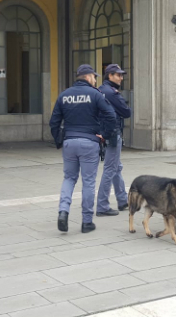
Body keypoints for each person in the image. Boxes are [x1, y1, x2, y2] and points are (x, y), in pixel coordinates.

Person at [50, 64, 116, 233]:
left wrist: (59, 140)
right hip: (89, 142)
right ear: (87, 77)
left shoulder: (64, 95)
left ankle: (63, 211)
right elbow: (111, 116)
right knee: (88, 181)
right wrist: (104, 135)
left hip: (69, 142)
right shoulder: (95, 95)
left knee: (69, 178)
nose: (95, 80)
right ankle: (87, 222)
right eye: (94, 77)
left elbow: (54, 122)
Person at [96, 64, 132, 217]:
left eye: (122, 75)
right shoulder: (111, 93)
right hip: (112, 133)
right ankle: (102, 206)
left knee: (116, 167)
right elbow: (126, 112)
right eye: (118, 75)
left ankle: (123, 199)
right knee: (110, 168)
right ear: (109, 76)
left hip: (103, 133)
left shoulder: (98, 90)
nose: (121, 78)